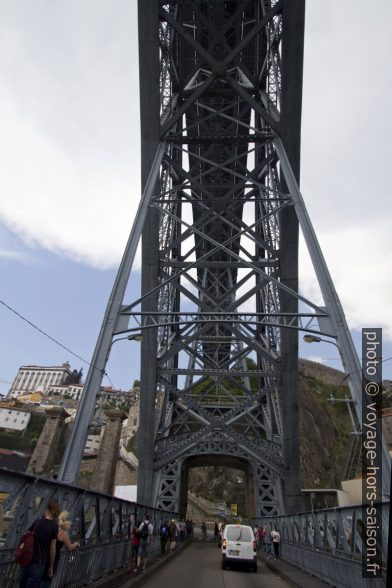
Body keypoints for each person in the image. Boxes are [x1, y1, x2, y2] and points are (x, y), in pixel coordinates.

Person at [19, 500, 60, 588]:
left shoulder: (37, 521)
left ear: (47, 509)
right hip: (39, 563)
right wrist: (51, 567)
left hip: (27, 560)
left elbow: (25, 535)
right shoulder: (54, 526)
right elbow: (52, 549)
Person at [39, 511, 80, 587]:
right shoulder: (64, 534)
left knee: (38, 578)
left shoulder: (50, 527)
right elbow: (70, 547)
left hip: (41, 556)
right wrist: (77, 544)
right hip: (53, 559)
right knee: (46, 580)